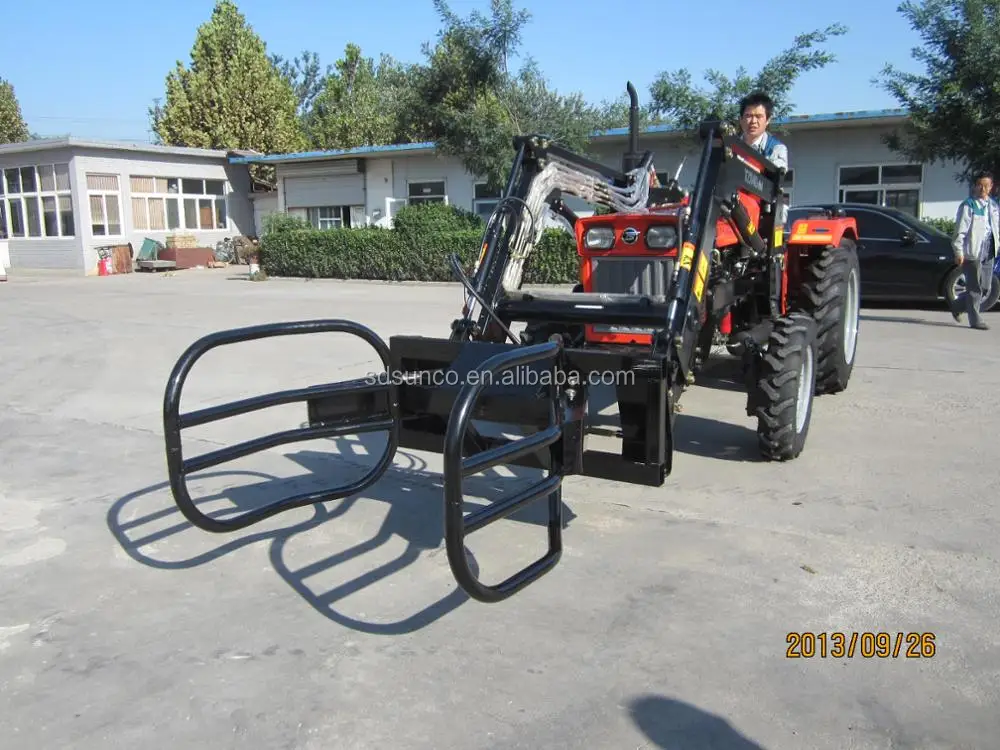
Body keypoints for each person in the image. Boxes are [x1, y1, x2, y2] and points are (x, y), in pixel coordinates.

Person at [949, 170, 998, 330]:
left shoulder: (993, 205)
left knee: (985, 287)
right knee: (974, 287)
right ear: (975, 186)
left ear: (991, 186)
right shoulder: (969, 205)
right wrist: (958, 251)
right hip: (973, 250)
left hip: (989, 249)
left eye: (986, 186)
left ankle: (957, 305)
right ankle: (975, 320)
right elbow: (960, 231)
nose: (983, 189)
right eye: (979, 185)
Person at [738, 91, 789, 227]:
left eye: (759, 116)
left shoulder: (777, 148)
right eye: (748, 116)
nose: (753, 121)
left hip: (764, 208)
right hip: (732, 202)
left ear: (767, 120)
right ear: (741, 119)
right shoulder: (730, 145)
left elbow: (775, 177)